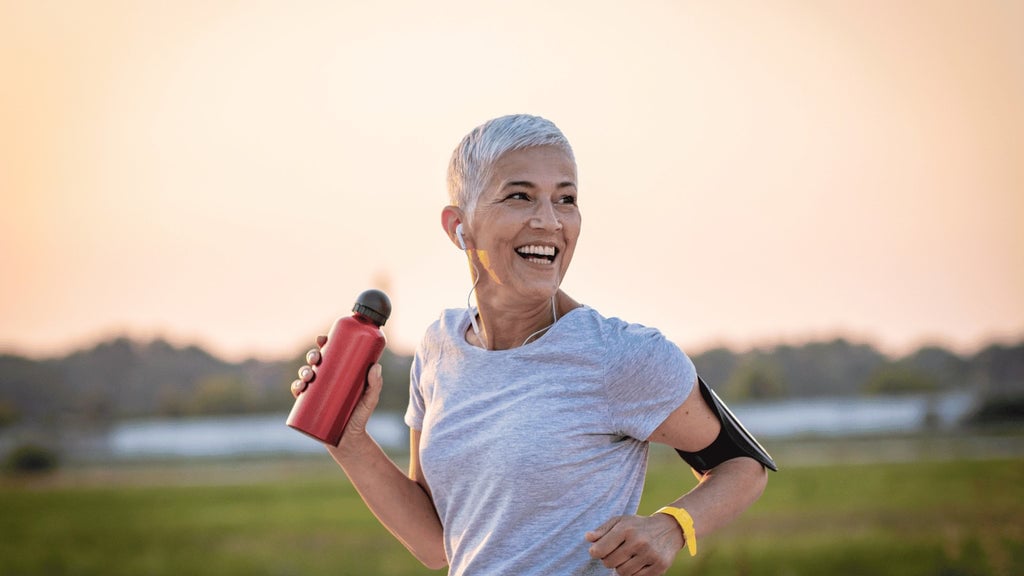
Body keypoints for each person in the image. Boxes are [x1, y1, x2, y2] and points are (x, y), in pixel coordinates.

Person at [291, 114, 774, 575]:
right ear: (458, 225)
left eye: (565, 199)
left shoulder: (620, 355)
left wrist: (671, 527)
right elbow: (436, 541)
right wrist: (349, 441)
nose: (549, 221)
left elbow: (744, 465)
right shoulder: (440, 348)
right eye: (520, 196)